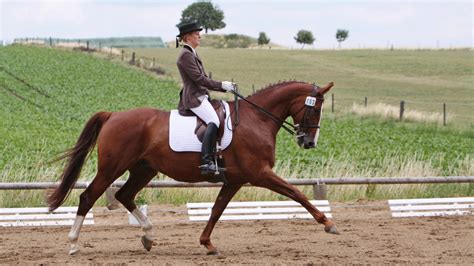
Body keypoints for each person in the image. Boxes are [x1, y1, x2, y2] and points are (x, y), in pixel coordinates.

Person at [175, 22, 235, 176]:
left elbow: (204, 79)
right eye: (196, 34)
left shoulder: (192, 53)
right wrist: (222, 85)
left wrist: (223, 87)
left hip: (201, 95)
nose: (199, 36)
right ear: (187, 37)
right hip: (194, 97)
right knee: (213, 121)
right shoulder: (185, 55)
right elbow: (199, 79)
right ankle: (207, 161)